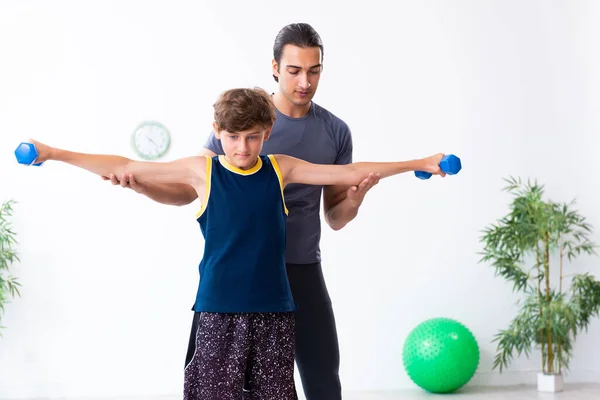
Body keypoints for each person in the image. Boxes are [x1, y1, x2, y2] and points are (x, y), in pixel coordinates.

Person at [24, 87, 447, 399]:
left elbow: (348, 172)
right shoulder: (202, 170)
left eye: (251, 137)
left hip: (274, 313)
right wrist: (53, 153)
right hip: (218, 312)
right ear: (217, 132)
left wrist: (417, 165)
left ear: (267, 132)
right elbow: (125, 164)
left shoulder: (280, 169)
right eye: (231, 137)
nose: (241, 148)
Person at [104, 23, 379, 399]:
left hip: (300, 267)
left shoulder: (334, 131)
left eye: (313, 71)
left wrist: (356, 198)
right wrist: (144, 186)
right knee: (221, 386)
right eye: (295, 70)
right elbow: (191, 191)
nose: (304, 82)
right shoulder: (243, 123)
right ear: (275, 67)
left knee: (322, 380)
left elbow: (335, 217)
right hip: (237, 278)